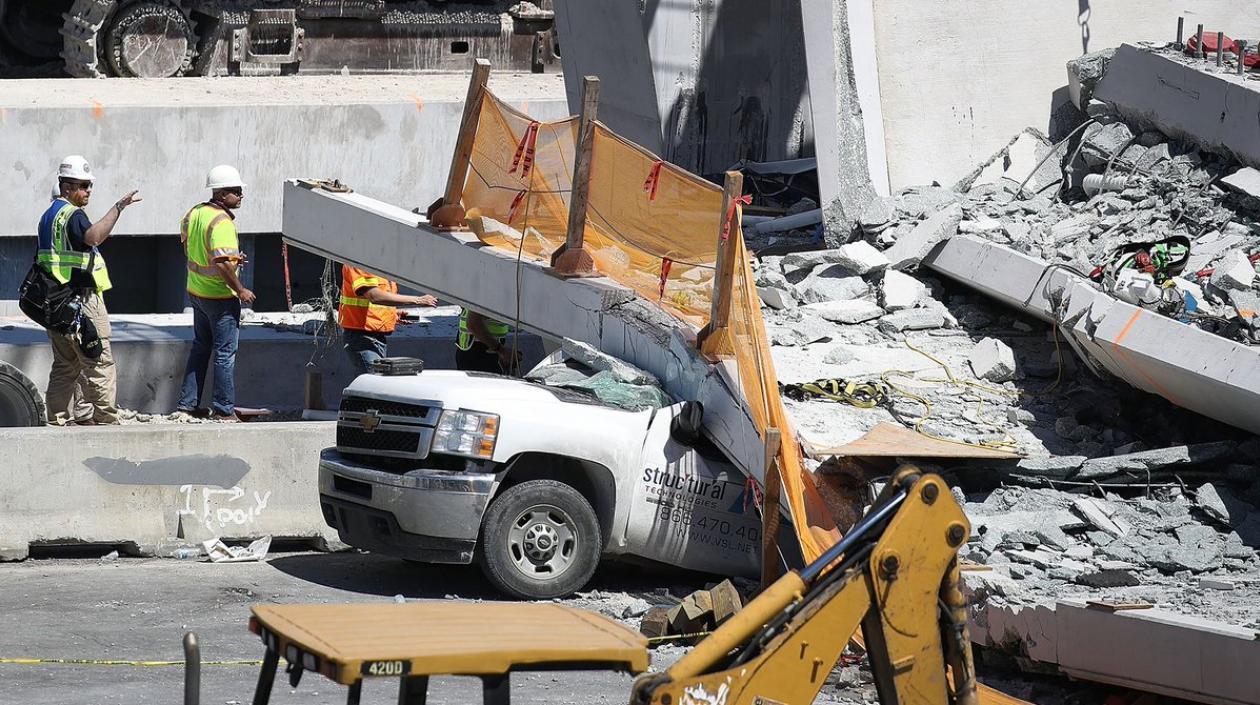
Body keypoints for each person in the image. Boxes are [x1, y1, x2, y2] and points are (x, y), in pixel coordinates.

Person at [37, 155, 141, 426]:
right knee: (99, 362)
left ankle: (58, 419)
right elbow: (94, 237)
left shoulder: (47, 217)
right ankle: (106, 419)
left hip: (56, 302)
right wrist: (118, 208)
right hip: (82, 300)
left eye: (89, 185)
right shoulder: (72, 214)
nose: (88, 191)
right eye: (83, 186)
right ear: (66, 187)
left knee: (65, 365)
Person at [176, 165, 253, 422]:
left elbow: (193, 247)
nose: (241, 195)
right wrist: (240, 289)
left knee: (200, 348)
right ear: (221, 195)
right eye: (236, 191)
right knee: (224, 353)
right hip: (219, 297)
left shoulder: (195, 212)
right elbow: (219, 263)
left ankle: (187, 405)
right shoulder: (222, 222)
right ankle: (223, 409)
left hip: (196, 293)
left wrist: (232, 259)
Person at [339, 265, 437, 374]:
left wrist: (391, 314)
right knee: (374, 383)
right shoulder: (360, 260)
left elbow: (374, 301)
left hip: (373, 337)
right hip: (361, 337)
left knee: (375, 383)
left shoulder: (377, 262)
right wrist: (418, 300)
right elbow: (374, 296)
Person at [455, 308, 520, 375]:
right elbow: (473, 324)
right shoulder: (488, 297)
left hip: (485, 350)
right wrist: (502, 351)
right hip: (479, 354)